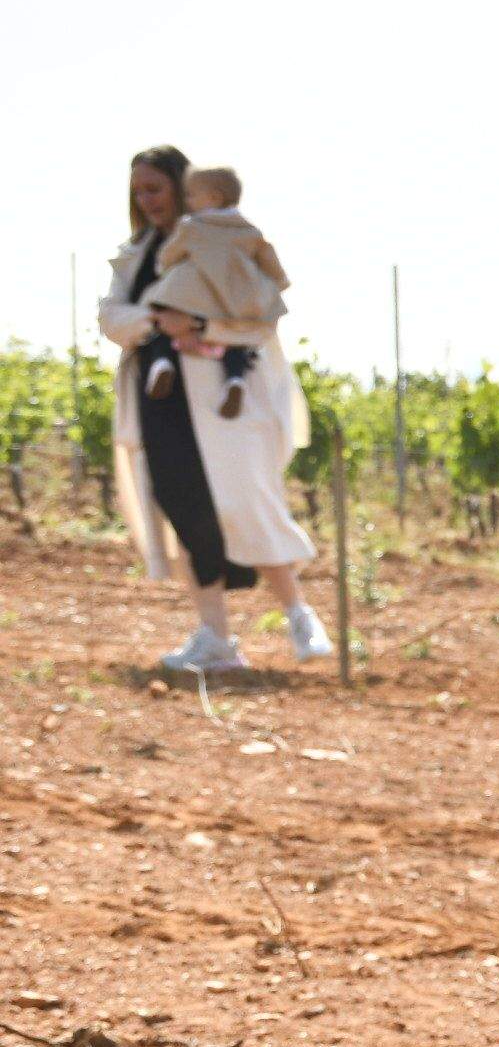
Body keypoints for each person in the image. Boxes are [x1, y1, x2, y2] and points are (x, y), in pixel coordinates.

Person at [97, 145, 330, 674]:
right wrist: (159, 324)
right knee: (184, 512)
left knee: (247, 501)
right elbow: (113, 318)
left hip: (224, 403)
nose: (145, 200)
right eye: (138, 191)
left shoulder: (218, 243)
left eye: (154, 188)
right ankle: (216, 637)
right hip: (161, 404)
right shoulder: (136, 253)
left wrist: (199, 328)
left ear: (183, 187)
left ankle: (299, 614)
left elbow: (258, 320)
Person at [147, 165, 290, 421]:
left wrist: (164, 266)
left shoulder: (192, 226)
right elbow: (271, 264)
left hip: (193, 296)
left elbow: (168, 256)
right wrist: (276, 286)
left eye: (191, 195)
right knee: (238, 344)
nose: (187, 201)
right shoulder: (249, 230)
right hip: (233, 303)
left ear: (214, 198)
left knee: (162, 327)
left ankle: (162, 363)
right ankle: (235, 380)